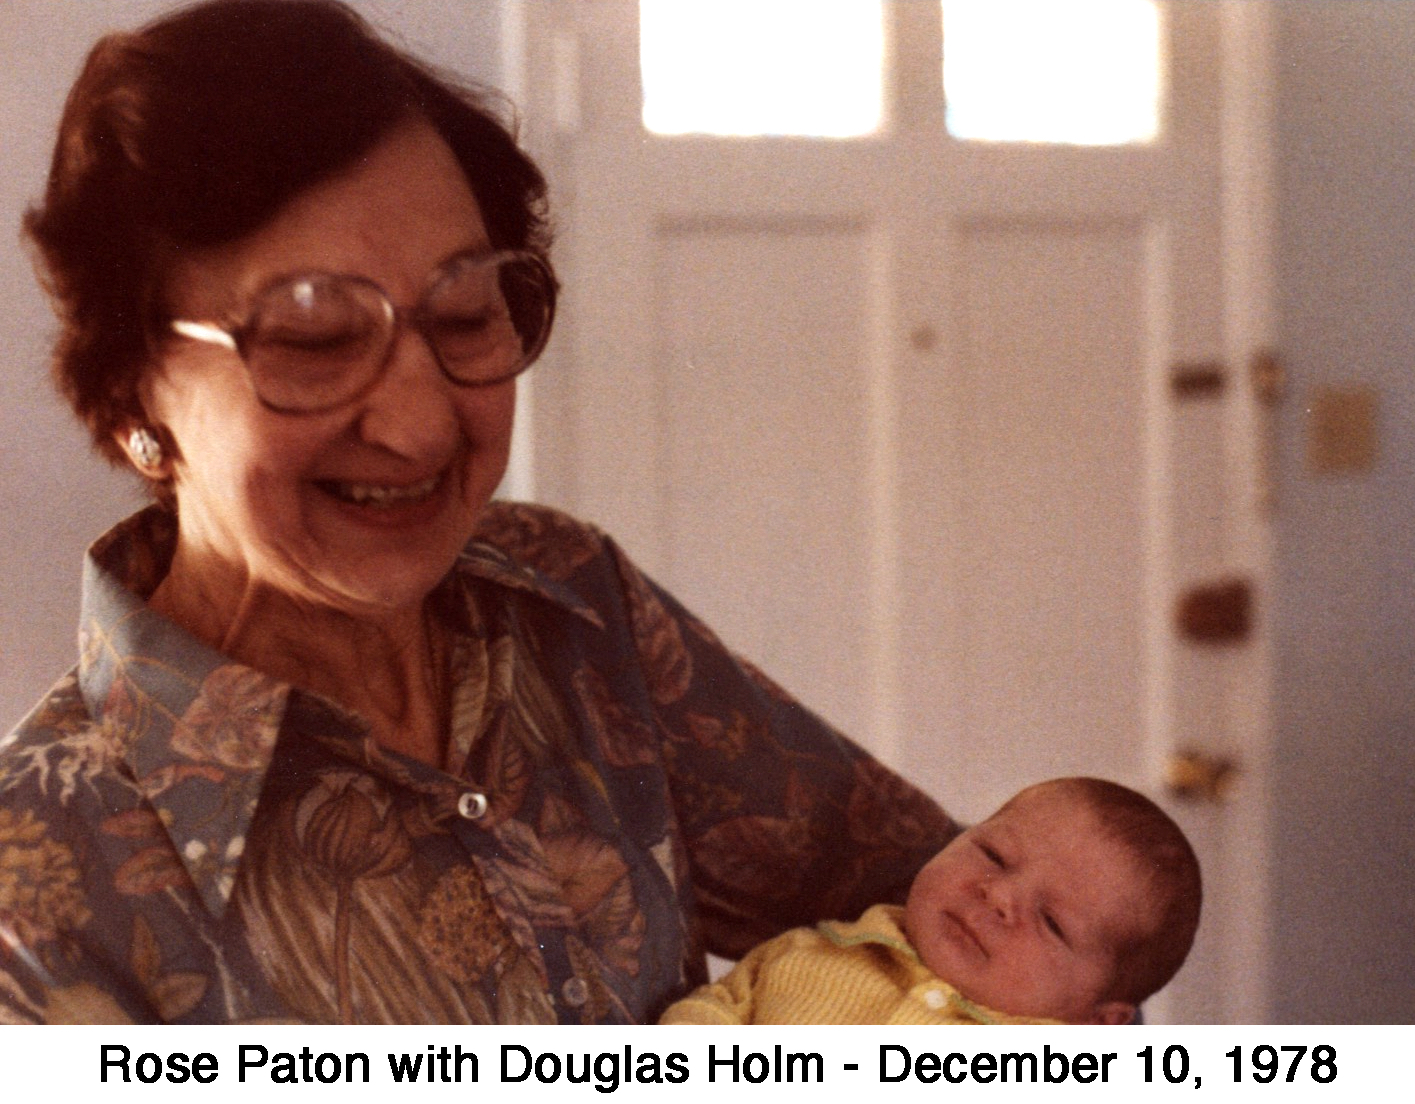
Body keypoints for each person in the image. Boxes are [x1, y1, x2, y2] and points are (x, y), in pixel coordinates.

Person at [0, 0, 959, 1024]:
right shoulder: (43, 891)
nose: (421, 428)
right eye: (316, 340)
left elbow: (993, 912)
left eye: (466, 315)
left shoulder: (566, 600)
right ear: (134, 383)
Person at [659, 777, 1201, 1025]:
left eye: (1052, 922)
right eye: (992, 853)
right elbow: (717, 1011)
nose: (1000, 895)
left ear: (1101, 1022)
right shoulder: (811, 952)